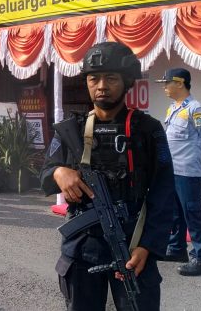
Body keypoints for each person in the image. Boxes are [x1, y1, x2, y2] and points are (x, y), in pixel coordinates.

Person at [40, 42, 175, 311]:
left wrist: (147, 246)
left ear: (127, 83)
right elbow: (45, 171)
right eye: (94, 78)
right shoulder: (71, 130)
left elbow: (165, 190)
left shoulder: (148, 130)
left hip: (132, 246)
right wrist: (59, 172)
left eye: (111, 78)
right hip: (82, 248)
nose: (101, 85)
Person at [157, 68, 201, 276]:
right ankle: (177, 249)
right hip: (173, 170)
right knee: (175, 213)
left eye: (167, 83)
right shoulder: (172, 108)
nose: (164, 87)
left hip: (189, 171)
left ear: (180, 83)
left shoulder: (196, 110)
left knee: (193, 213)